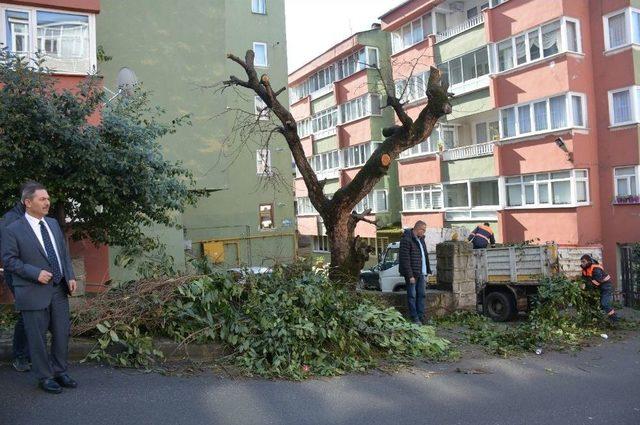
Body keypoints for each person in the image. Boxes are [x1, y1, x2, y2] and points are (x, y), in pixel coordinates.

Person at [1, 182, 78, 394]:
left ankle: (60, 371)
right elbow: (9, 261)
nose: (47, 202)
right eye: (42, 199)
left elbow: (63, 253)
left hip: (58, 289)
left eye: (48, 198)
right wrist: (35, 273)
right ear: (28, 202)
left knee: (62, 333)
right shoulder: (12, 229)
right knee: (37, 338)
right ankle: (45, 377)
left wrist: (70, 275)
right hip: (32, 291)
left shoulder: (52, 223)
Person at [0, 194, 30, 372]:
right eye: (40, 198)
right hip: (18, 274)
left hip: (33, 273)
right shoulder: (11, 220)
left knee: (35, 314)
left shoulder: (29, 217)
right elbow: (9, 254)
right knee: (26, 313)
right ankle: (20, 356)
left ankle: (29, 354)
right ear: (27, 200)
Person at [399, 220, 431, 324]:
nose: (424, 232)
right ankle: (414, 318)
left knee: (421, 295)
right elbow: (405, 259)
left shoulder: (421, 240)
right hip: (412, 274)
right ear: (418, 229)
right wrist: (410, 275)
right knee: (412, 296)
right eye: (423, 230)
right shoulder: (406, 239)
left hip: (421, 273)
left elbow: (424, 256)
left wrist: (427, 271)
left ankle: (421, 316)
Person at [580, 254, 619, 323]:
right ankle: (595, 318)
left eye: (583, 262)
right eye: (581, 262)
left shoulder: (596, 268)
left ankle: (614, 319)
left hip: (606, 287)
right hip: (597, 287)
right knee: (592, 302)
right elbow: (584, 280)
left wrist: (586, 285)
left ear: (589, 261)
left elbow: (597, 281)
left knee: (604, 304)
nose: (582, 263)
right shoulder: (584, 270)